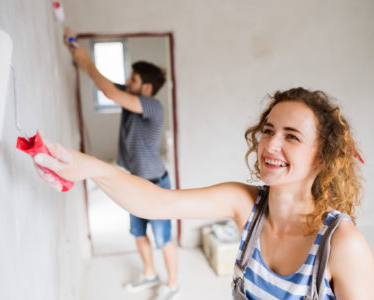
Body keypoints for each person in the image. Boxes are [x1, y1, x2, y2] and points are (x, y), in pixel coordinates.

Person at [33, 87, 374, 299]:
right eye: (268, 130)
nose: (271, 144)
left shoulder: (342, 245)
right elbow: (156, 202)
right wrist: (87, 167)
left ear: (323, 157)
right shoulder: (246, 205)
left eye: (292, 136)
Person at [63, 29, 179, 299]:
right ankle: (149, 274)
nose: (128, 81)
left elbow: (109, 91)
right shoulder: (131, 98)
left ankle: (173, 284)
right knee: (138, 233)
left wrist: (85, 58)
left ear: (146, 88)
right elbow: (105, 84)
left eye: (134, 79)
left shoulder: (152, 106)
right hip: (133, 182)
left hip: (156, 185)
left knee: (163, 239)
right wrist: (75, 52)